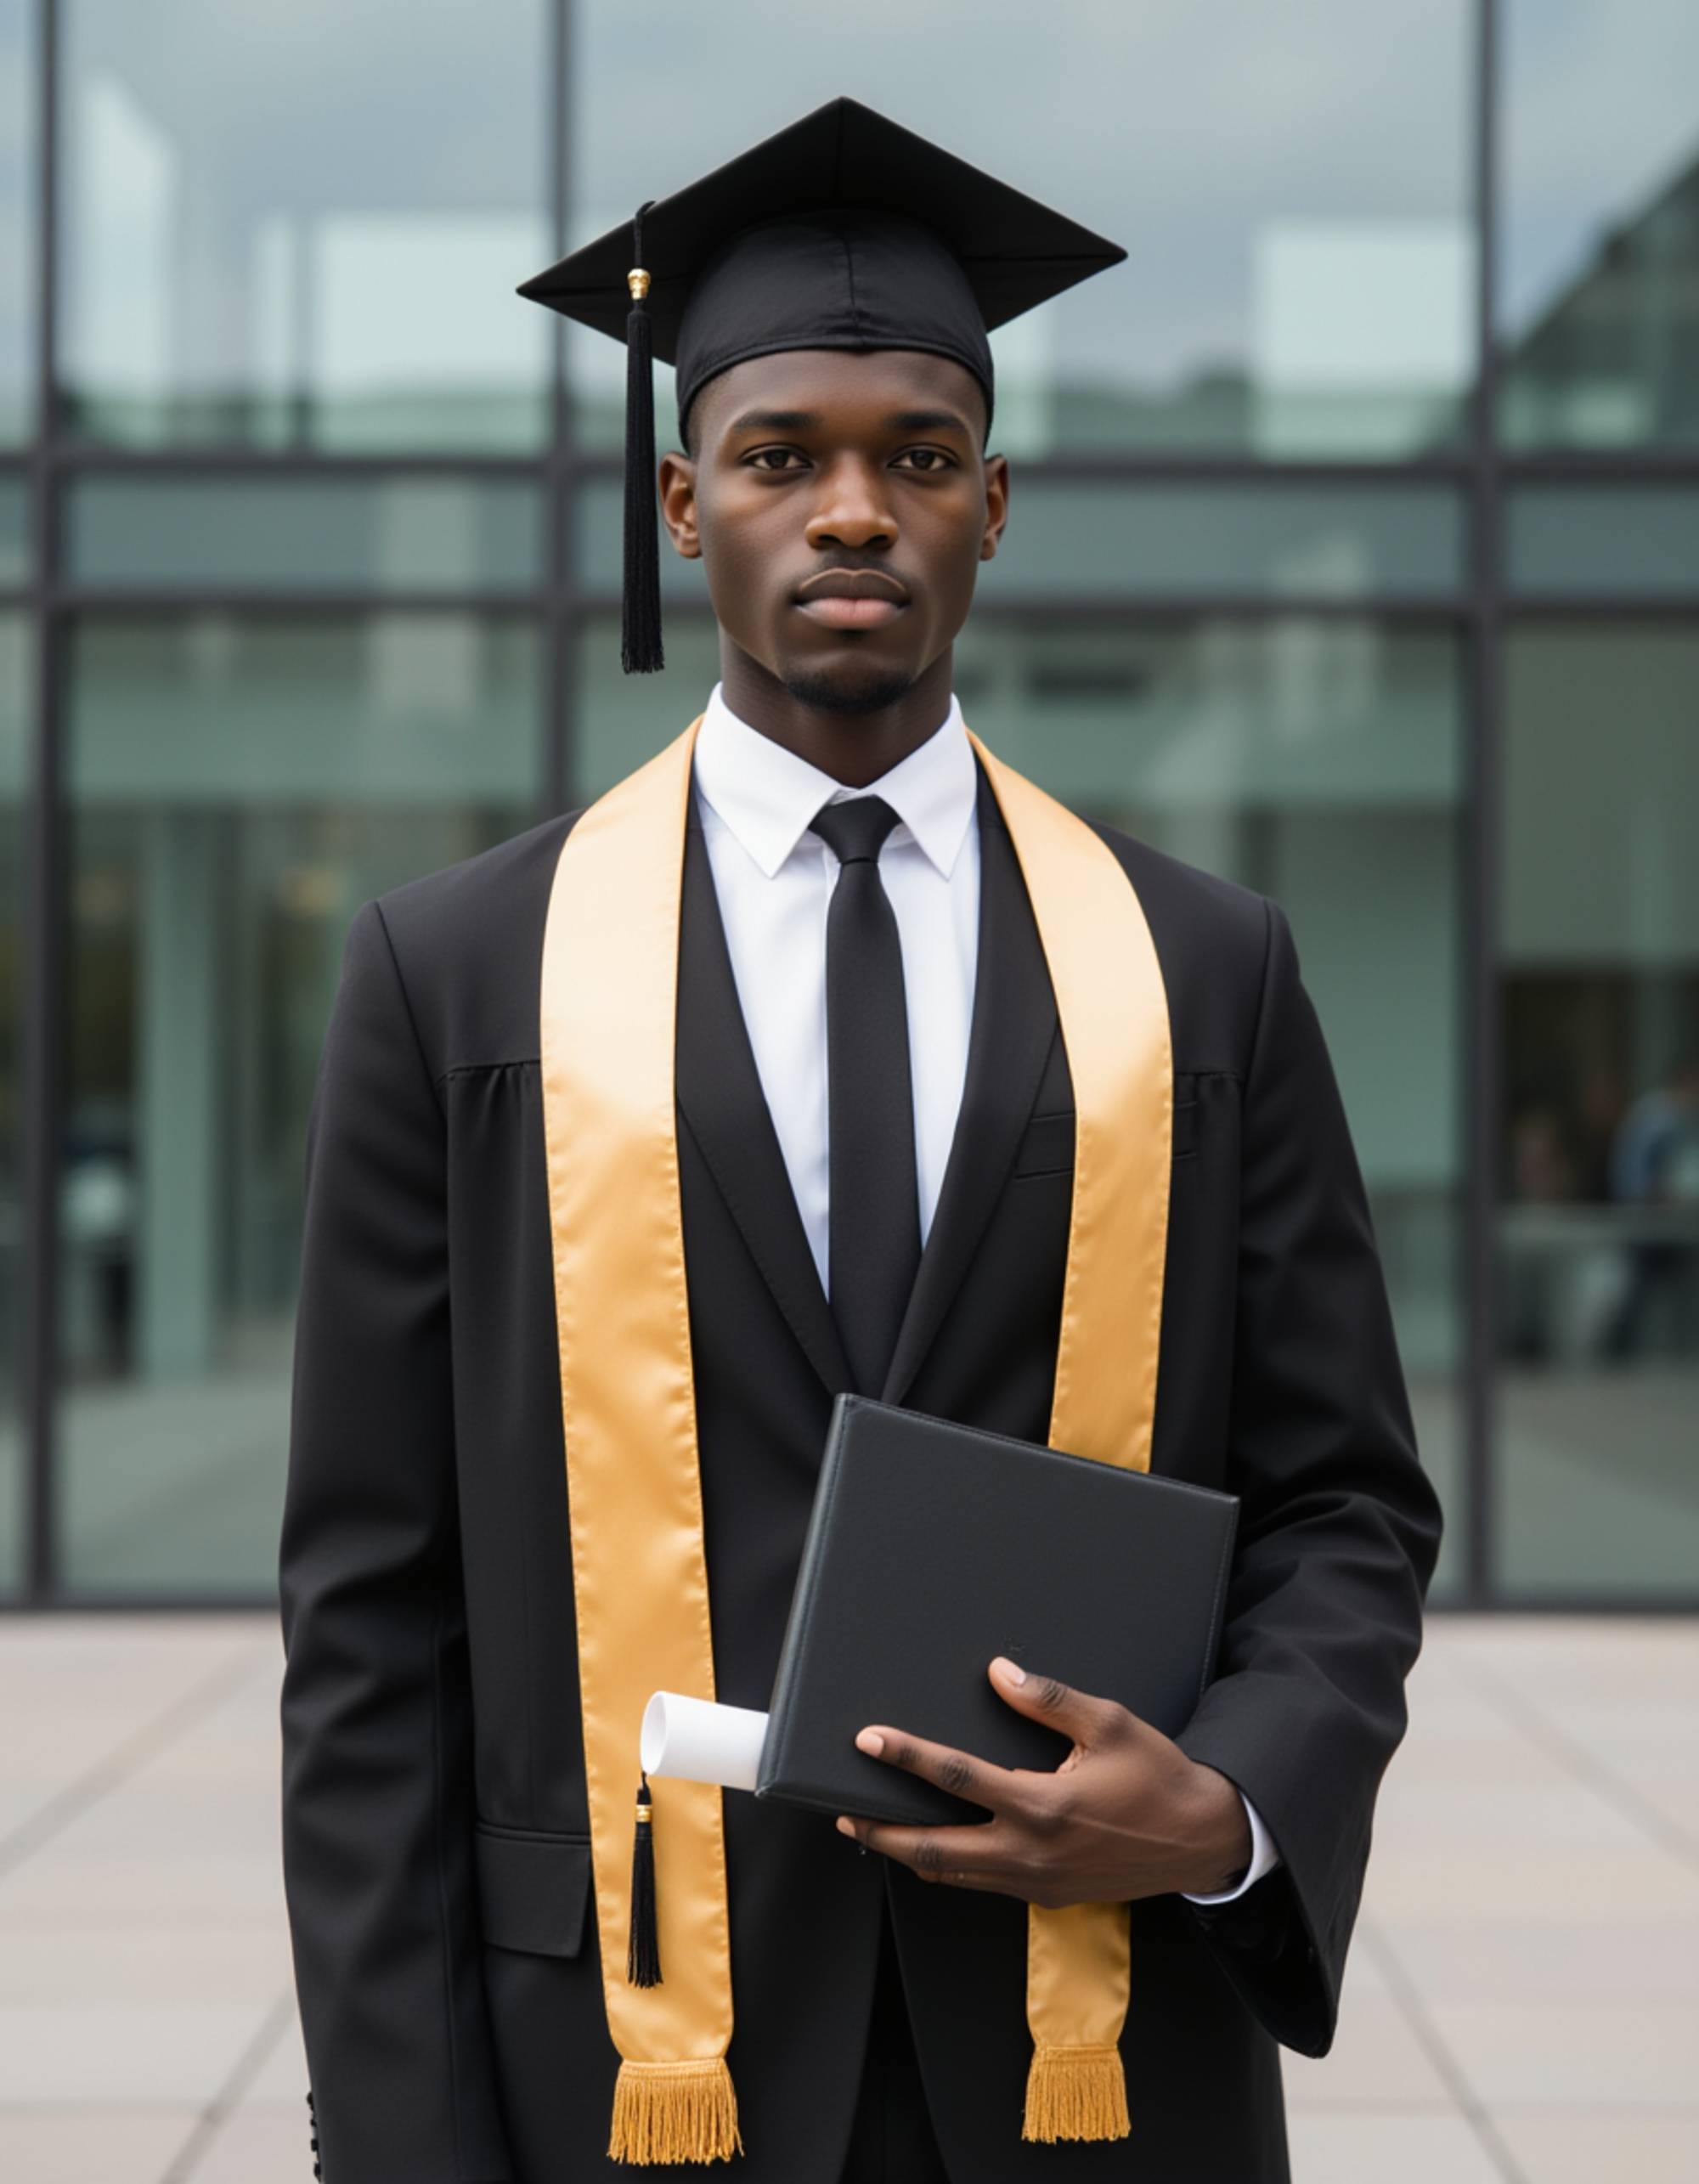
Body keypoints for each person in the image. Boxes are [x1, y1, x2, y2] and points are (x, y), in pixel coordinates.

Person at [279, 96, 1442, 2184]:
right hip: (629, 2059)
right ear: (677, 501)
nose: (849, 510)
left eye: (915, 458)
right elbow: (372, 1629)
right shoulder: (460, 983)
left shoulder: (1200, 972)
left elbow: (1346, 1497)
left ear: (993, 507)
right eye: (778, 455)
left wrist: (1235, 1799)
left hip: (1093, 2056)